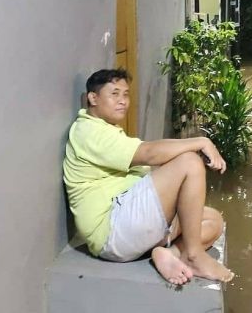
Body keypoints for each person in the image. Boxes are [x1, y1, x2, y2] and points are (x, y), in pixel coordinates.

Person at [63, 69, 234, 286]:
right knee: (190, 162)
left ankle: (168, 253)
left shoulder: (106, 129)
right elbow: (149, 154)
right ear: (93, 98)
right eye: (114, 94)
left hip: (128, 218)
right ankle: (193, 256)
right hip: (112, 231)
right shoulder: (88, 132)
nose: (123, 101)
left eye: (126, 94)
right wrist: (201, 142)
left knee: (213, 221)